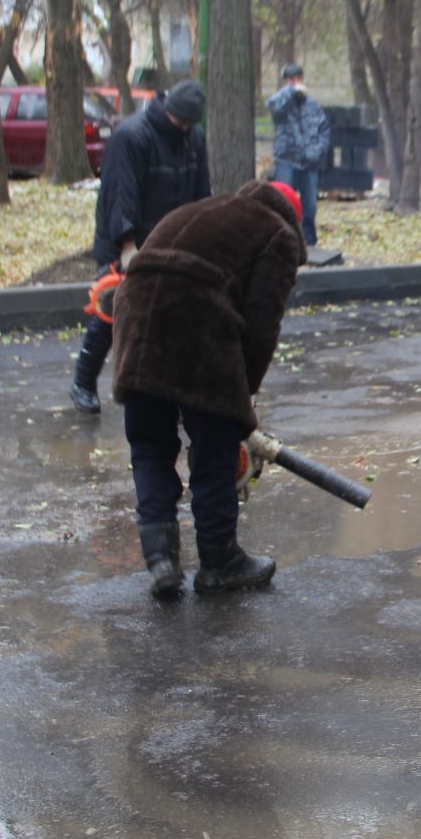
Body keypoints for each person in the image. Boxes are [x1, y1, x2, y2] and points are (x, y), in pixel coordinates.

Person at [109, 180, 308, 597]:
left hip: (135, 314)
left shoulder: (206, 208)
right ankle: (220, 562)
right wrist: (242, 402)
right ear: (294, 219)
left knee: (149, 443)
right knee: (215, 444)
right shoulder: (279, 234)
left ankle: (161, 560)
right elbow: (261, 323)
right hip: (195, 318)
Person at [70, 79, 211, 414]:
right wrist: (127, 245)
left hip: (168, 241)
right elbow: (121, 194)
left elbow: (199, 194)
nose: (184, 129)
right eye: (181, 123)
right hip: (126, 242)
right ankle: (83, 382)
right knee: (113, 311)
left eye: (190, 125)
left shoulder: (193, 139)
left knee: (172, 316)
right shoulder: (131, 136)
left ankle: (169, 393)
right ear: (168, 110)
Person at [264, 62, 332, 247]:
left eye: (298, 79)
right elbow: (271, 105)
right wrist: (290, 92)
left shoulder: (312, 105)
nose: (295, 82)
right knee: (282, 203)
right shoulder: (282, 103)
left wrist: (316, 151)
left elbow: (324, 130)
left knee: (310, 206)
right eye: (291, 80)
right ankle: (281, 241)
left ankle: (309, 243)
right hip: (287, 160)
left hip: (310, 163)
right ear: (285, 82)